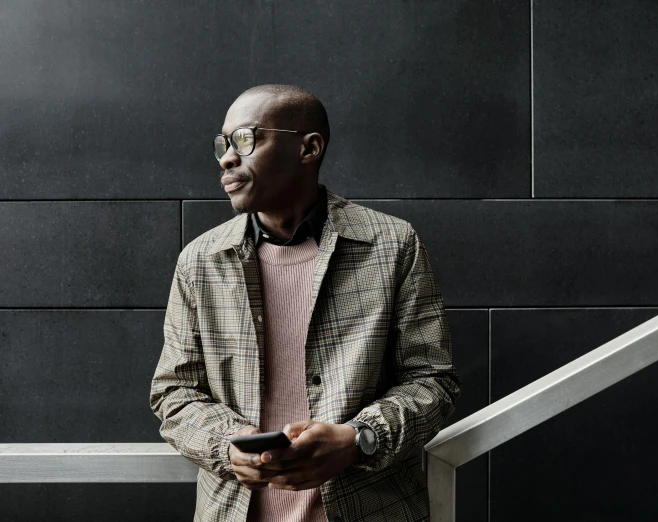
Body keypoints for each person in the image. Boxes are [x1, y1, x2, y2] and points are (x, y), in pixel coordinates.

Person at [149, 84, 461, 522]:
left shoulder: (392, 245)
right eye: (223, 144)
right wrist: (226, 444)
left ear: (308, 148)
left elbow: (432, 381)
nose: (226, 158)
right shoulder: (200, 261)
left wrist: (359, 438)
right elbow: (174, 393)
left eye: (246, 138)